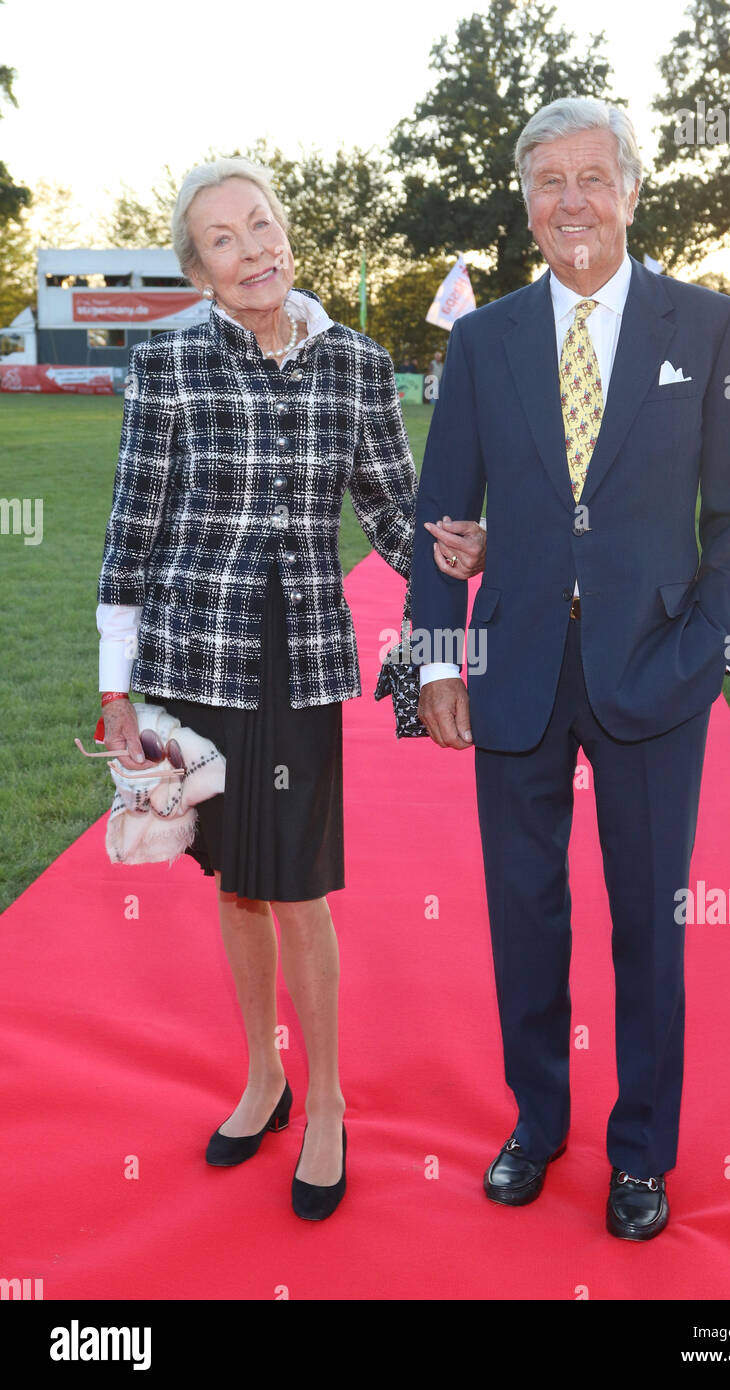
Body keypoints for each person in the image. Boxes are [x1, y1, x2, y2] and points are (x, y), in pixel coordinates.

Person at [96, 156, 486, 1222]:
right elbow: (133, 527)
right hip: (192, 655)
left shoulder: (358, 364)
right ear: (199, 268)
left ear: (286, 233)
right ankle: (261, 1078)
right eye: (223, 239)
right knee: (235, 879)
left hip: (302, 656)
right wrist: (115, 691)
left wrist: (463, 560)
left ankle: (325, 1100)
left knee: (299, 883)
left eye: (259, 224)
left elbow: (393, 515)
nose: (251, 248)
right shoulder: (167, 361)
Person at [412, 97, 730, 1240]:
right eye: (547, 182)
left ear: (628, 188)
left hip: (652, 673)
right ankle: (536, 1121)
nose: (571, 201)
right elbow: (440, 518)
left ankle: (642, 1151)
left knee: (646, 920)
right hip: (514, 667)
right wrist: (433, 662)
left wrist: (709, 651)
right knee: (523, 913)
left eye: (590, 177)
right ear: (525, 203)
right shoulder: (482, 340)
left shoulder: (706, 328)